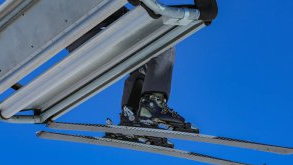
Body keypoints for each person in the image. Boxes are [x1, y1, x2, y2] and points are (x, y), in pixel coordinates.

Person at [68, 7, 198, 143]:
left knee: (142, 63)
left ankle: (132, 114)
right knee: (163, 38)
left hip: (86, 38)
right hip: (95, 36)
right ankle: (152, 107)